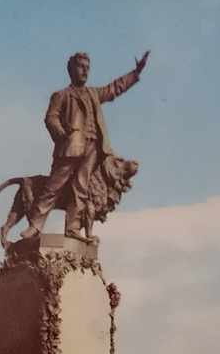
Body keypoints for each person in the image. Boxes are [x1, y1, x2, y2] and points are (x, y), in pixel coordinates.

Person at [21, 50, 150, 240]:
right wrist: (61, 133)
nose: (85, 71)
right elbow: (51, 117)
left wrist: (135, 73)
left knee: (80, 189)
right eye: (81, 67)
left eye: (88, 68)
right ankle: (35, 226)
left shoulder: (94, 94)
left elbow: (115, 88)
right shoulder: (61, 95)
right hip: (71, 146)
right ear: (71, 69)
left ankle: (72, 229)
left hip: (93, 149)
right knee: (53, 187)